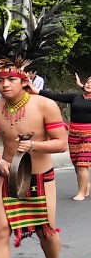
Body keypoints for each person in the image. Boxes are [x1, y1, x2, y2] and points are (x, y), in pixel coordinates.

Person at [0, 65, 68, 258]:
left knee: (45, 231)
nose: (5, 84)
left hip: (40, 177)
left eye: (10, 79)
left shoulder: (45, 105)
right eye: (0, 80)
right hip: (9, 175)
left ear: (24, 81)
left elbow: (61, 143)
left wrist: (34, 145)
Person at [37, 73, 91, 201]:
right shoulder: (75, 97)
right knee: (76, 163)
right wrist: (37, 91)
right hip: (74, 134)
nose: (89, 84)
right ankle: (85, 185)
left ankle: (81, 192)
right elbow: (54, 96)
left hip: (89, 136)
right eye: (88, 82)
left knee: (82, 164)